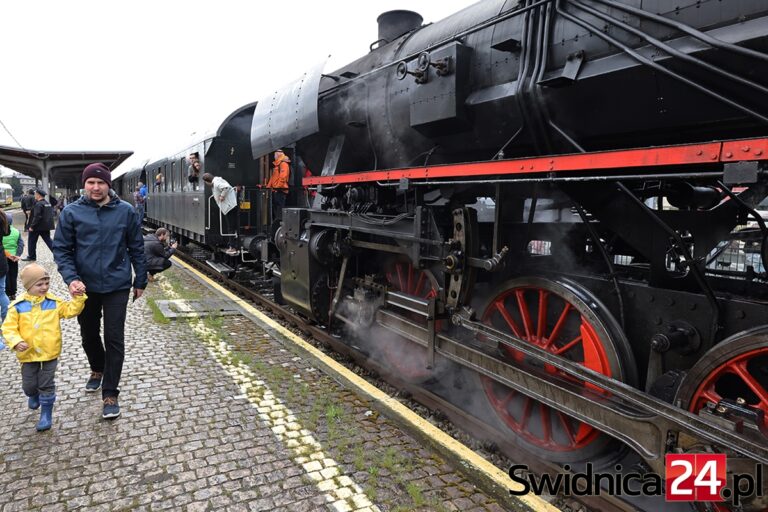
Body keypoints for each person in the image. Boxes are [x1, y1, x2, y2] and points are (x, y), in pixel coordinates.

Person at [53, 162, 147, 420]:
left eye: (101, 182)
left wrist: (140, 280)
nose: (96, 187)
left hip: (117, 284)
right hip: (85, 286)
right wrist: (71, 278)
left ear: (108, 185)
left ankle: (110, 393)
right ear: (85, 185)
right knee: (88, 335)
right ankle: (97, 367)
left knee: (114, 337)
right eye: (91, 183)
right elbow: (61, 250)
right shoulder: (71, 213)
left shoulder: (126, 212)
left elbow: (136, 247)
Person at [1, 264, 86, 431]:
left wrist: (78, 298)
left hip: (49, 351)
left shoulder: (53, 302)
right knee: (29, 385)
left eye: (47, 283)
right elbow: (8, 328)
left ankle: (46, 414)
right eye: (39, 284)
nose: (44, 287)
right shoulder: (17, 307)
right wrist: (16, 341)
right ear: (28, 286)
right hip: (28, 354)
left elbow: (70, 310)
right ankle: (32, 395)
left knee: (47, 384)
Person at [201, 172, 238, 255]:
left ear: (207, 181)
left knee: (231, 227)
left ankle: (232, 247)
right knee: (231, 226)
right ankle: (232, 245)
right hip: (229, 206)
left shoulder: (217, 182)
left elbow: (226, 187)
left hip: (230, 206)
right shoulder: (217, 180)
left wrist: (222, 196)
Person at [23, 189, 55, 261]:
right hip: (45, 227)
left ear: (38, 195)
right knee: (49, 241)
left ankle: (31, 256)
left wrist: (32, 226)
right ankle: (58, 254)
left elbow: (37, 216)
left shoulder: (38, 204)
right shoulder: (47, 203)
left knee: (31, 241)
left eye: (35, 194)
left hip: (37, 227)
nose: (34, 195)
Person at [3, 212, 24, 300]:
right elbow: (21, 244)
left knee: (6, 275)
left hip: (4, 257)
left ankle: (7, 292)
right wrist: (17, 255)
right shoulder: (16, 231)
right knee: (13, 275)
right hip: (14, 258)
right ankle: (13, 293)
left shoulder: (2, 231)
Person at [265, 148, 290, 220]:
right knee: (277, 209)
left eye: (274, 155)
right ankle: (278, 223)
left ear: (277, 155)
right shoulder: (278, 165)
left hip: (280, 191)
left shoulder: (283, 164)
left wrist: (277, 187)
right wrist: (268, 187)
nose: (274, 156)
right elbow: (273, 177)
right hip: (276, 190)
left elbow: (283, 177)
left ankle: (280, 224)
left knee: (279, 209)